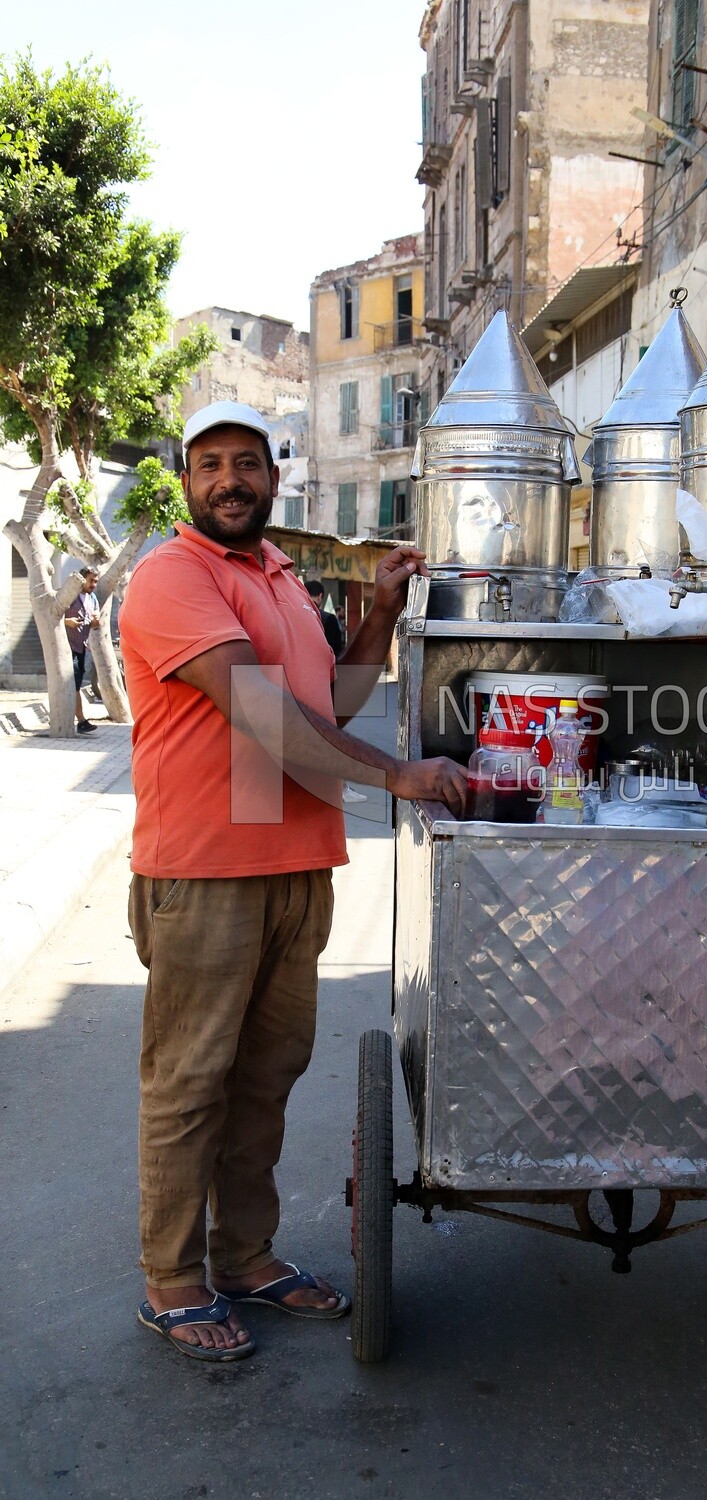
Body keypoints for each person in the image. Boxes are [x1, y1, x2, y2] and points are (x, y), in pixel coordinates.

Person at [118, 399, 466, 1363]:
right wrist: (397, 775)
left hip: (294, 863)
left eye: (248, 463)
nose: (230, 480)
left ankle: (245, 1255)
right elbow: (262, 716)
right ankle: (172, 1278)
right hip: (205, 871)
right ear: (186, 483)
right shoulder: (170, 577)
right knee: (191, 1080)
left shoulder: (278, 576)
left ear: (275, 478)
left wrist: (381, 618)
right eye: (210, 465)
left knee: (266, 1076)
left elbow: (331, 703)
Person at [64, 567, 100, 733]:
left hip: (81, 647)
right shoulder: (69, 594)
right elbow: (53, 614)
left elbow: (95, 625)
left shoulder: (92, 598)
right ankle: (81, 720)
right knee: (75, 684)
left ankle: (77, 720)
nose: (93, 584)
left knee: (75, 683)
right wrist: (67, 621)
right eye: (91, 580)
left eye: (95, 581)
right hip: (66, 647)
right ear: (82, 579)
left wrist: (95, 621)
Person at [304, 578, 344, 657]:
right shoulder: (329, 618)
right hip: (321, 665)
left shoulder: (295, 616)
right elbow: (336, 648)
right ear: (320, 596)